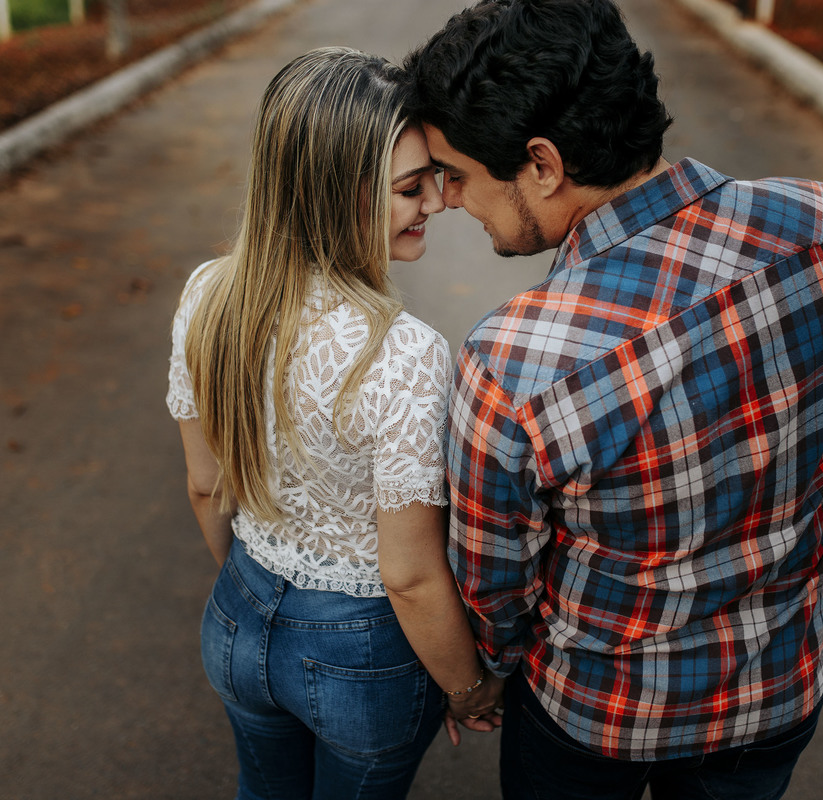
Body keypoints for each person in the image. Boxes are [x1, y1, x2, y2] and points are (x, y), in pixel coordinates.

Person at [402, 1, 823, 798]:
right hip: (778, 686)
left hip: (598, 718)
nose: (453, 201)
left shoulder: (516, 362)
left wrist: (492, 673)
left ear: (542, 163)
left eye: (459, 176)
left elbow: (497, 592)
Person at [166, 47, 502, 800]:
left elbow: (204, 485)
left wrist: (250, 592)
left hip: (237, 615)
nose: (438, 203)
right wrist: (468, 688)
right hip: (361, 653)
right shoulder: (406, 354)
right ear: (334, 192)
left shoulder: (209, 295)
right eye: (411, 188)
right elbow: (410, 574)